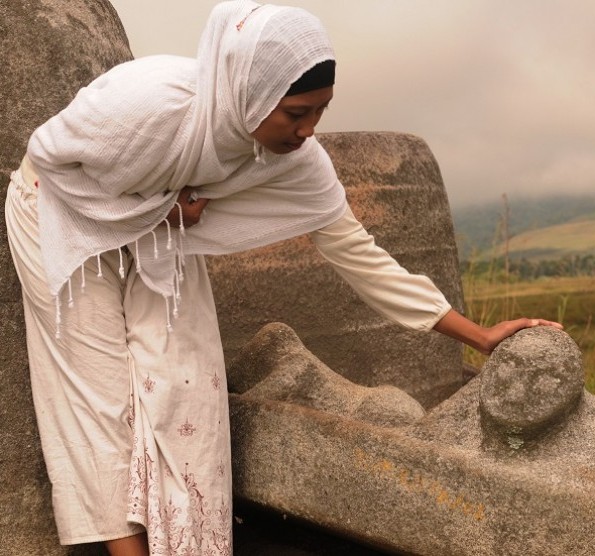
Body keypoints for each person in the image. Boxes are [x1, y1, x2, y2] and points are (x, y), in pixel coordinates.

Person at [5, 2, 561, 555]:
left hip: (157, 224)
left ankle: (186, 544)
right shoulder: (148, 105)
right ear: (251, 91)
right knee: (99, 397)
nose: (308, 130)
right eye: (296, 113)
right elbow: (49, 161)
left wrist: (480, 336)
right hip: (58, 217)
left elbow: (360, 255)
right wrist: (160, 212)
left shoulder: (295, 161)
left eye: (320, 111)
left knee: (182, 382)